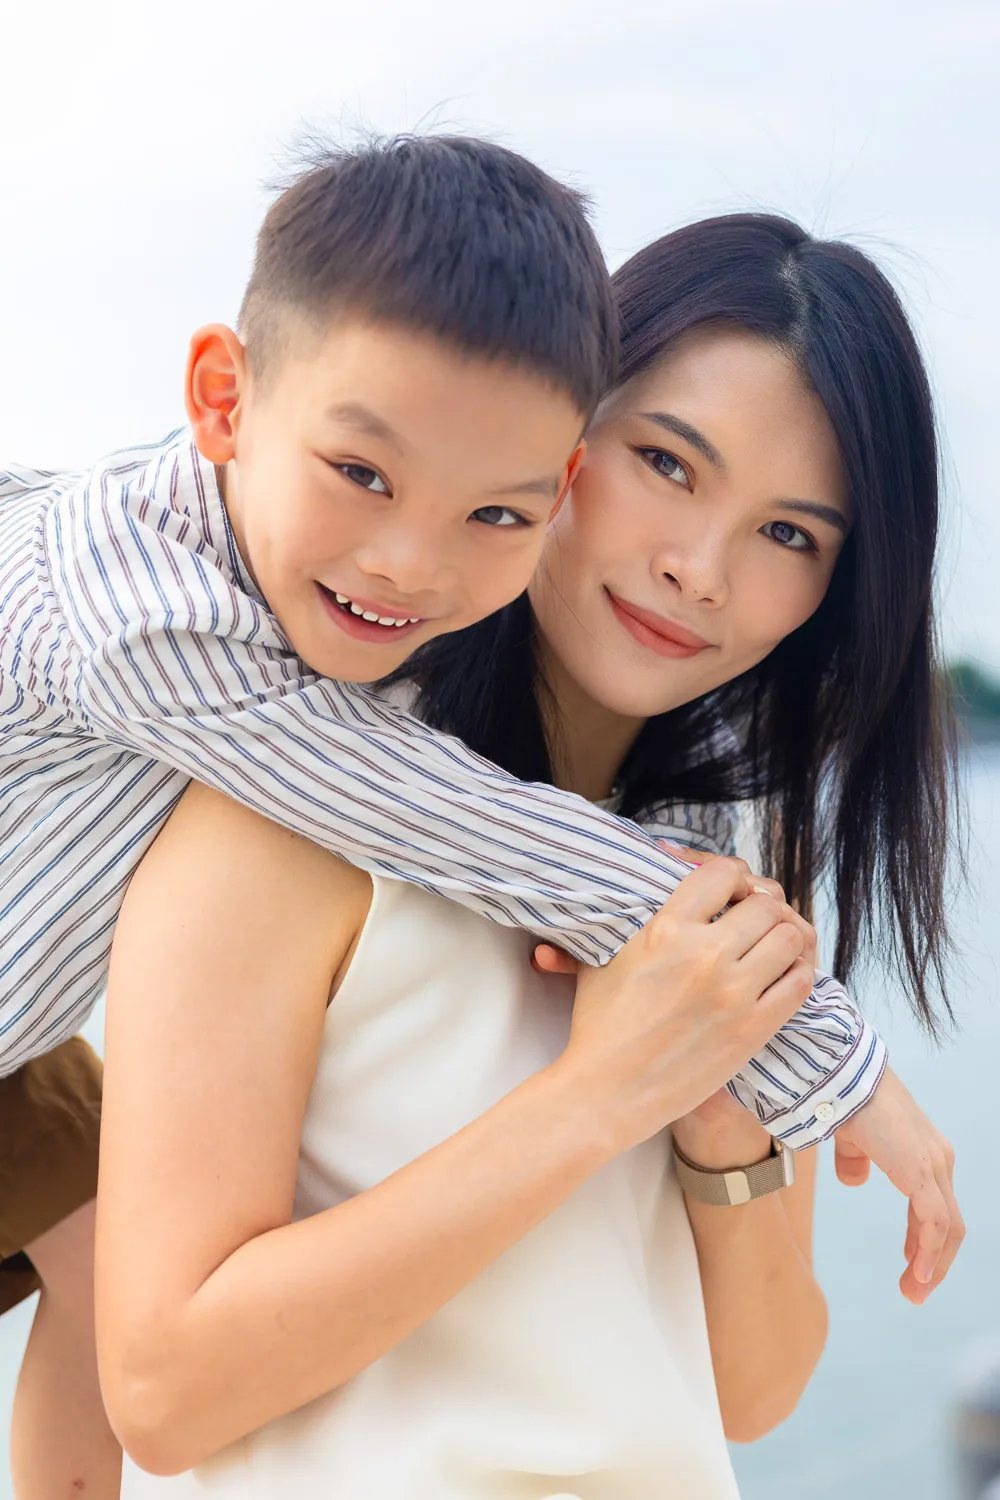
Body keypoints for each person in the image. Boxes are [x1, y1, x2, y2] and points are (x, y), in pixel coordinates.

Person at [0, 136, 928, 1493]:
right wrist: (607, 1092)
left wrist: (716, 1099)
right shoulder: (283, 807)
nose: (698, 567)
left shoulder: (714, 864)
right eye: (667, 463)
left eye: (790, 536)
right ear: (570, 446)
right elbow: (166, 1388)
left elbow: (756, 1385)